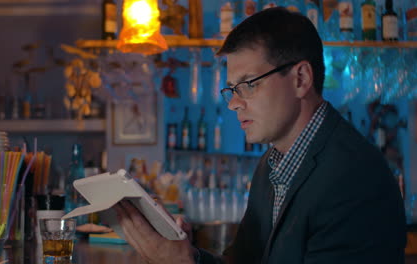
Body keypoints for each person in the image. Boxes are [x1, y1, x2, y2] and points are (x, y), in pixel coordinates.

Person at [113, 7, 407, 264]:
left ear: (300, 79)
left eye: (248, 84)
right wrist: (187, 254)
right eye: (232, 88)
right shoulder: (272, 165)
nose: (233, 103)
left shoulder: (355, 179)